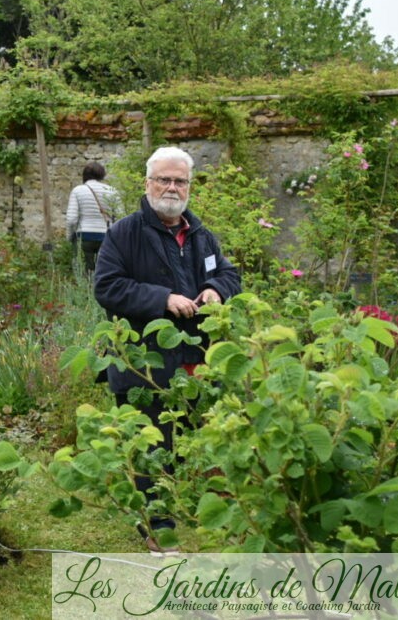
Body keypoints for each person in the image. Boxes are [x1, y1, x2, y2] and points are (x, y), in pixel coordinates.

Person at [94, 146, 241, 552]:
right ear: (148, 183)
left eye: (180, 181)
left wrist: (215, 289)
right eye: (164, 179)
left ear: (189, 186)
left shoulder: (200, 235)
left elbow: (230, 274)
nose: (172, 188)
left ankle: (219, 512)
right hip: (146, 361)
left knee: (210, 439)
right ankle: (158, 528)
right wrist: (163, 299)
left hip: (194, 358)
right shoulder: (124, 233)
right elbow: (106, 288)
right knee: (152, 444)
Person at [66, 162, 122, 272]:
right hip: (107, 237)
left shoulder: (78, 190)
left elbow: (71, 219)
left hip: (84, 237)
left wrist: (69, 237)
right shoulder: (112, 191)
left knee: (85, 272)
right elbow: (121, 217)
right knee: (105, 273)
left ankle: (86, 289)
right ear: (102, 174)